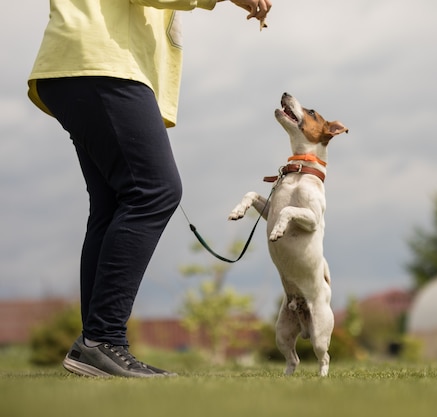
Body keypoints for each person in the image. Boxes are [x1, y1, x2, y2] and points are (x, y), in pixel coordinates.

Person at [27, 0, 272, 378]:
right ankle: (102, 340)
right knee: (155, 191)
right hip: (101, 61)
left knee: (111, 204)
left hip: (78, 63)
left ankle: (95, 346)